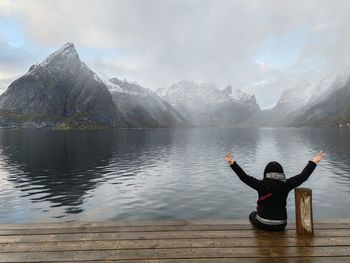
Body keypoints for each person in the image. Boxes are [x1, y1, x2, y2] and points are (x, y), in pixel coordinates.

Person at [224, 151, 326, 231]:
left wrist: (233, 163)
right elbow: (303, 176)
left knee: (252, 214)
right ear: (281, 173)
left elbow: (244, 177)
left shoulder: (260, 185)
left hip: (262, 223)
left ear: (266, 172)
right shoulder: (287, 184)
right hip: (281, 224)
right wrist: (313, 161)